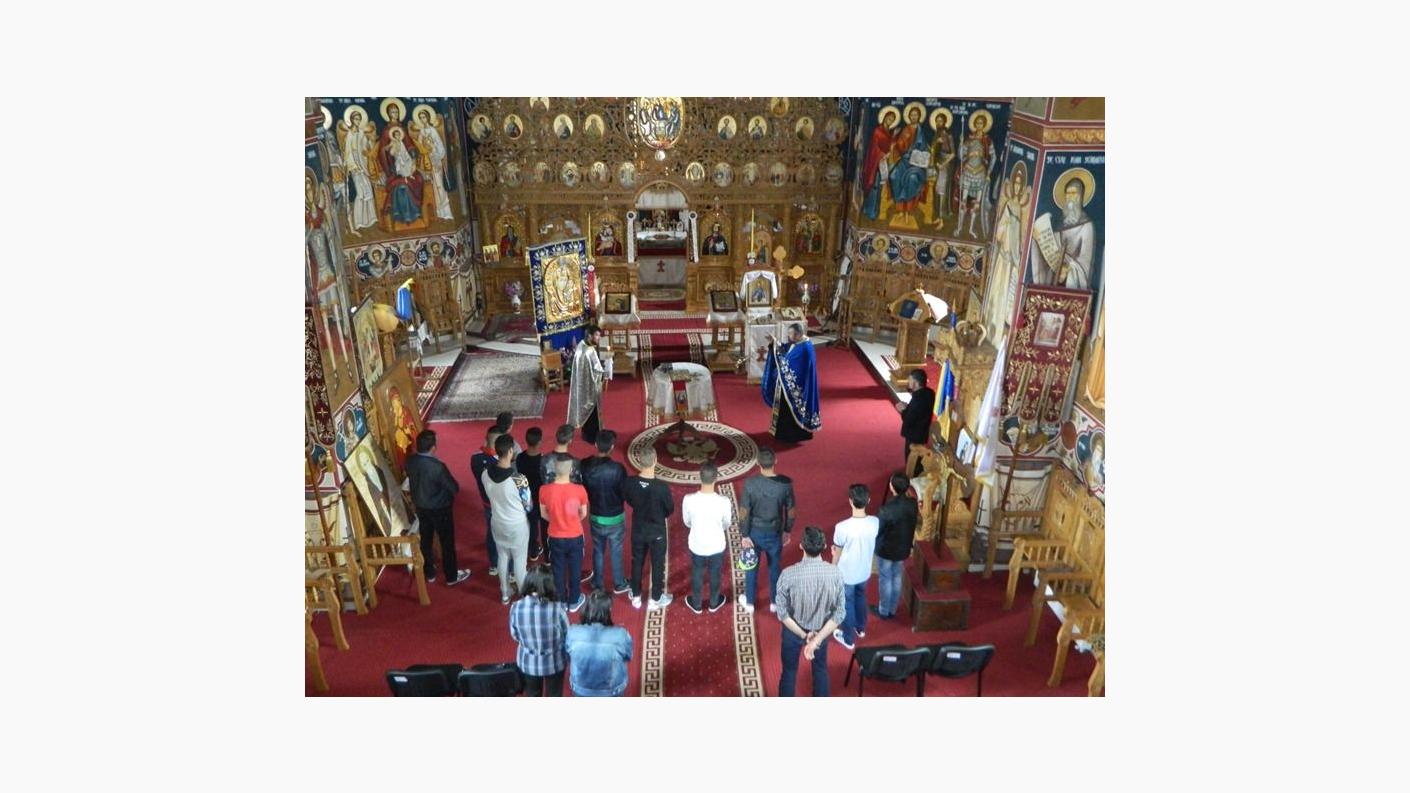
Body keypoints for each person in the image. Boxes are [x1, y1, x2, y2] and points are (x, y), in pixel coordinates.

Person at [775, 526, 846, 697]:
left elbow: (782, 613)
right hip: (821, 630)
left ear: (801, 546)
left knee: (789, 672)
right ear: (824, 547)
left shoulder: (788, 574)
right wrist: (817, 640)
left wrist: (803, 635)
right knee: (820, 670)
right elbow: (839, 614)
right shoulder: (835, 574)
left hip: (793, 631)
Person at [404, 430, 471, 586]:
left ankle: (430, 573)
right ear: (433, 447)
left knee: (426, 539)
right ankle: (451, 576)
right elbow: (454, 488)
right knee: (447, 543)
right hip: (440, 509)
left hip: (421, 507)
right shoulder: (438, 467)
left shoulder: (410, 461)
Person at [737, 447, 795, 614]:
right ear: (775, 461)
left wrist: (744, 534)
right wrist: (787, 530)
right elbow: (791, 511)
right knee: (774, 567)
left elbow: (744, 512)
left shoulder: (750, 484)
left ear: (758, 463)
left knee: (751, 566)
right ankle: (774, 603)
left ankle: (749, 602)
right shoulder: (785, 484)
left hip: (754, 532)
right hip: (775, 532)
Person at [481, 435, 533, 604]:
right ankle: (524, 594)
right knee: (519, 560)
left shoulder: (485, 474)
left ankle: (505, 592)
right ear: (511, 451)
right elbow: (529, 506)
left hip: (497, 522)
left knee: (502, 557)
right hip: (516, 525)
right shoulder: (519, 479)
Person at [623, 448, 674, 610]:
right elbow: (669, 509)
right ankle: (655, 599)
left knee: (637, 561)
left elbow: (628, 499)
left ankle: (636, 596)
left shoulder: (630, 483)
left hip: (638, 529)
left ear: (639, 461)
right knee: (658, 564)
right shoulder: (662, 487)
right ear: (656, 460)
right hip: (657, 531)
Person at [581, 430, 630, 595]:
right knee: (616, 550)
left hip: (596, 515)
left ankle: (598, 583)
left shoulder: (586, 466)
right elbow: (624, 493)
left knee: (598, 550)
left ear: (596, 445)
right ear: (612, 447)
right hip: (615, 517)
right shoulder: (618, 469)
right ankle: (619, 583)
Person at [832, 483, 879, 650]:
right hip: (864, 570)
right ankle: (860, 628)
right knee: (860, 597)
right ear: (868, 500)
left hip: (847, 573)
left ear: (850, 501)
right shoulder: (875, 522)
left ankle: (848, 638)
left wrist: (832, 568)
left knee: (847, 604)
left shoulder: (842, 527)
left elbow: (837, 552)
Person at [509, 566, 569, 696]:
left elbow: (515, 635)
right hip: (554, 662)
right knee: (554, 695)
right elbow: (567, 636)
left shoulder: (516, 607)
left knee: (532, 695)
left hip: (528, 662)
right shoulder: (557, 609)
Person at [540, 458, 590, 612]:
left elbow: (543, 514)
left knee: (558, 569)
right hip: (575, 536)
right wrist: (571, 521)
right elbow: (583, 513)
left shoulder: (544, 490)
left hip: (555, 536)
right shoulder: (580, 490)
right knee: (575, 569)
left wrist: (557, 520)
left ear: (554, 470)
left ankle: (561, 601)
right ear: (571, 470)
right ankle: (574, 601)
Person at [683, 462, 732, 614]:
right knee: (715, 573)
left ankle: (696, 604)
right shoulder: (724, 502)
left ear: (700, 477)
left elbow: (687, 522)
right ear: (716, 478)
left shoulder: (688, 499)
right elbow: (727, 523)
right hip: (717, 545)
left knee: (697, 572)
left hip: (697, 545)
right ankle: (714, 602)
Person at [565, 590, 634, 697]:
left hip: (580, 690)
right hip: (612, 691)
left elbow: (568, 657)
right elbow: (628, 657)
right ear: (608, 610)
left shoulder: (572, 632)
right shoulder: (621, 634)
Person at [762, 323, 822, 442]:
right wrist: (774, 343)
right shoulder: (798, 343)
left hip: (798, 386)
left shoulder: (806, 348)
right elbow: (787, 350)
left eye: (790, 334)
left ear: (798, 334)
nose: (788, 336)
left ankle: (790, 435)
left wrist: (780, 368)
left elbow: (794, 366)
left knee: (790, 409)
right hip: (788, 383)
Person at [873, 473, 918, 620]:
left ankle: (883, 610)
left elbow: (878, 530)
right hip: (903, 546)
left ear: (892, 487)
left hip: (886, 549)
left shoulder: (886, 509)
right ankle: (892, 609)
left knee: (885, 578)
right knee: (897, 576)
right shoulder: (912, 504)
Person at [470, 428, 503, 576]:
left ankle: (494, 564)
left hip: (487, 503)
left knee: (491, 532)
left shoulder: (475, 459)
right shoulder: (501, 462)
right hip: (501, 505)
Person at [567, 325, 606, 444]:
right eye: (597, 335)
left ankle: (588, 433)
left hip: (586, 387)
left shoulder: (584, 345)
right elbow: (591, 373)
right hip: (589, 389)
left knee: (592, 415)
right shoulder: (585, 352)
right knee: (592, 414)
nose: (599, 338)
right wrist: (602, 372)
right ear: (589, 336)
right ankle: (592, 437)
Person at [896, 369, 936, 475]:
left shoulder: (917, 399)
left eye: (910, 380)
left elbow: (909, 420)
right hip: (923, 431)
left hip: (914, 434)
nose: (908, 382)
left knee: (911, 459)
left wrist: (902, 410)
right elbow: (919, 412)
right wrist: (908, 407)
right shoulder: (930, 393)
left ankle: (911, 476)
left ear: (915, 383)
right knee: (918, 458)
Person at [517, 427, 547, 560]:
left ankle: (533, 551)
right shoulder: (544, 461)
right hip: (542, 498)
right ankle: (548, 555)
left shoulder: (520, 458)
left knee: (532, 525)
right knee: (545, 527)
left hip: (527, 497)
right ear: (540, 442)